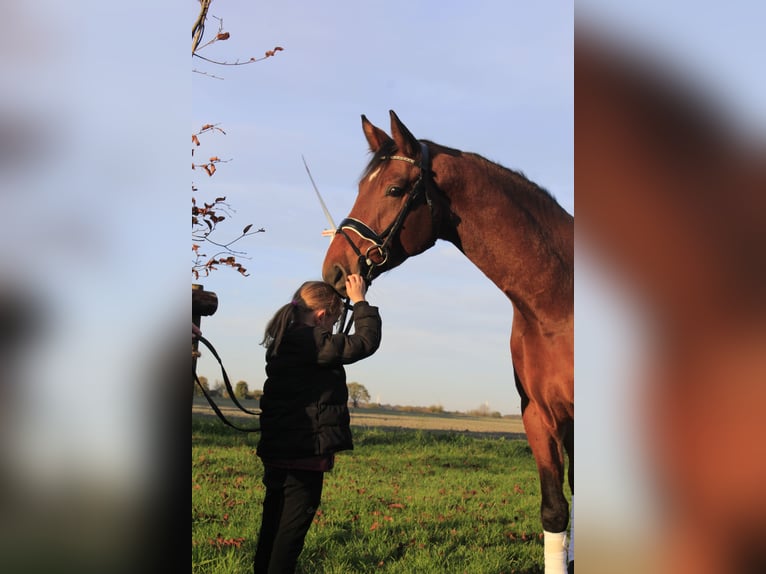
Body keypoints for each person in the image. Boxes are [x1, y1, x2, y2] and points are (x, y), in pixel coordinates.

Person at [253, 274, 381, 574]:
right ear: (322, 315)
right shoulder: (311, 341)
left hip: (279, 449)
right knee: (290, 534)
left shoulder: (284, 338)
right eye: (333, 323)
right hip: (303, 453)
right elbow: (364, 343)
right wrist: (361, 301)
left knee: (273, 523)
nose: (332, 330)